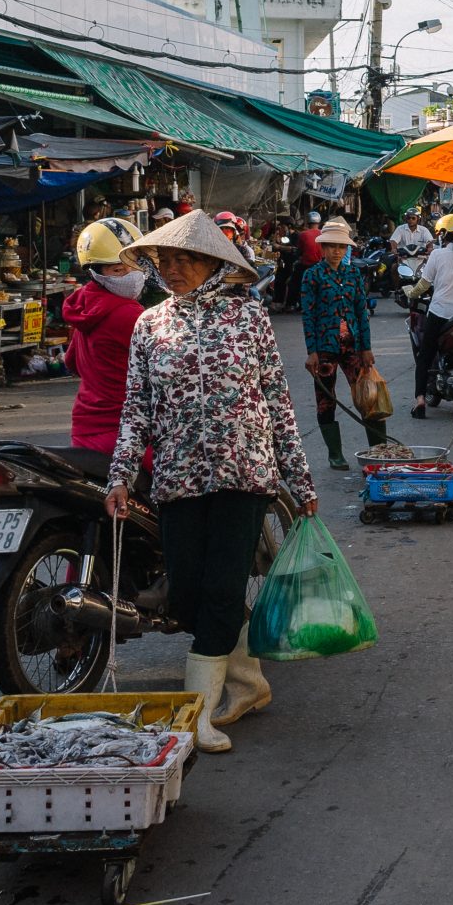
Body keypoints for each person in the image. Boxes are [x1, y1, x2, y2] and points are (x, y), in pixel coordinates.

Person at [105, 211, 317, 755]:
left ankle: (195, 715)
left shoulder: (248, 318)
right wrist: (122, 475)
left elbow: (277, 401)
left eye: (183, 260)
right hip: (178, 477)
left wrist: (298, 477)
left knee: (223, 589)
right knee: (190, 596)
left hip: (243, 474)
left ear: (211, 264)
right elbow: (137, 408)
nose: (171, 269)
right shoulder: (150, 325)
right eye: (164, 261)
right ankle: (248, 683)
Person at [301, 217, 386, 470]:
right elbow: (308, 314)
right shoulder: (312, 276)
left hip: (353, 346)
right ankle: (335, 454)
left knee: (368, 398)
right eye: (331, 246)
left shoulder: (353, 274)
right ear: (323, 248)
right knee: (326, 400)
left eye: (341, 247)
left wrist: (367, 347)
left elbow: (362, 312)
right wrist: (311, 351)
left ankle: (379, 452)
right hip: (324, 348)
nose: (337, 251)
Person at [62, 217, 146, 454]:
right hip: (124, 432)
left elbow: (72, 362)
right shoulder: (128, 314)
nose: (130, 274)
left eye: (134, 264)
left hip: (84, 430)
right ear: (96, 272)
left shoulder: (86, 304)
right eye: (118, 269)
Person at [413, 213, 453, 419]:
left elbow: (424, 285)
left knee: (425, 355)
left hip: (440, 314)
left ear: (443, 235)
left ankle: (420, 400)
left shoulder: (437, 255)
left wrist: (409, 293)